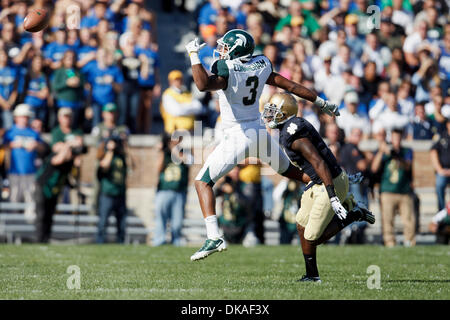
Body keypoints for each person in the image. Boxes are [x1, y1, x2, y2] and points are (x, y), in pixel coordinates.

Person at [185, 29, 340, 261]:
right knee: (292, 172)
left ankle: (214, 236)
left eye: (226, 47)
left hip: (237, 135)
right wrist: (321, 102)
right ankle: (336, 185)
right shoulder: (261, 63)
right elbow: (291, 86)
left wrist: (193, 56)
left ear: (237, 50)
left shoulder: (226, 68)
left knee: (202, 182)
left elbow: (202, 84)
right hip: (259, 132)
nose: (222, 50)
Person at [262, 92, 375, 282]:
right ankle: (312, 275)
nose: (269, 115)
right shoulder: (287, 129)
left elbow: (319, 162)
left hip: (328, 181)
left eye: (274, 111)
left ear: (286, 112)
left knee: (313, 236)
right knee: (301, 224)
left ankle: (353, 213)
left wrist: (332, 195)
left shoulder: (293, 132)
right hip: (319, 181)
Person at [35, 108, 85, 243]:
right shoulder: (56, 139)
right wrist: (68, 145)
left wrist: (74, 153)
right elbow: (58, 158)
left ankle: (45, 239)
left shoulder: (76, 132)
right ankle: (39, 240)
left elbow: (80, 148)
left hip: (56, 186)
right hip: (44, 184)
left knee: (50, 214)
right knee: (42, 214)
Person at [371, 128, 416, 247]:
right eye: (394, 137)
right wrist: (381, 152)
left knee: (408, 219)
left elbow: (408, 166)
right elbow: (374, 168)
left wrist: (397, 156)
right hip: (387, 190)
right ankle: (389, 242)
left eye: (399, 137)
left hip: (404, 190)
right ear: (391, 138)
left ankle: (409, 242)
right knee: (387, 219)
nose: (396, 140)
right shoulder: (384, 151)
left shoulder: (406, 151)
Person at [95, 103, 130, 244]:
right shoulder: (99, 129)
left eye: (113, 112)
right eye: (108, 112)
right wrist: (108, 148)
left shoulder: (121, 130)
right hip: (107, 190)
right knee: (103, 221)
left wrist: (124, 145)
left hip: (120, 189)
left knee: (121, 223)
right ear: (104, 114)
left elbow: (132, 163)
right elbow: (101, 161)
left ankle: (121, 244)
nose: (111, 115)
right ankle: (99, 243)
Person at [153, 133, 191, 246]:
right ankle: (159, 240)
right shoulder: (163, 153)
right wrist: (161, 151)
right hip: (164, 189)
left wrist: (173, 150)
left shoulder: (185, 151)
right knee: (161, 218)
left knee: (177, 221)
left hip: (179, 191)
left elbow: (187, 161)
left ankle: (176, 241)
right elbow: (158, 168)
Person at [3, 104, 43, 212]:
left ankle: (30, 227)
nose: (24, 119)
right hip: (14, 172)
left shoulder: (33, 133)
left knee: (31, 202)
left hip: (30, 172)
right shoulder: (10, 132)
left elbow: (43, 148)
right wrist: (14, 145)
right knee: (13, 201)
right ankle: (13, 225)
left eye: (26, 117)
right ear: (16, 117)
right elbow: (3, 146)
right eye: (22, 116)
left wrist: (35, 145)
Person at [160, 70, 203, 134]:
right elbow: (177, 111)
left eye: (180, 79)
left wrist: (182, 106)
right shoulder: (167, 94)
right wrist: (191, 106)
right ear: (170, 82)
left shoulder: (187, 93)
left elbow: (199, 108)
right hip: (174, 132)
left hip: (190, 131)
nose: (179, 82)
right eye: (176, 80)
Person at [51, 50, 85, 129]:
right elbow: (55, 87)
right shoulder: (59, 71)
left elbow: (83, 87)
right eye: (68, 58)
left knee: (73, 124)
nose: (70, 60)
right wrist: (66, 83)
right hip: (63, 103)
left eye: (72, 58)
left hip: (75, 103)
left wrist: (78, 83)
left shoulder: (78, 72)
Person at [216, 167, 249, 244]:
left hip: (240, 222)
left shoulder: (243, 184)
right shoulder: (224, 184)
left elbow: (246, 203)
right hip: (225, 221)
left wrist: (234, 191)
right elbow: (214, 194)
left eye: (237, 171)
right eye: (233, 171)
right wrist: (220, 185)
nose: (235, 173)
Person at [430, 118, 450, 211]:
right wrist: (439, 170)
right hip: (443, 170)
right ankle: (442, 211)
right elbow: (433, 152)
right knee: (439, 184)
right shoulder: (441, 136)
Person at [278, 179, 302, 244]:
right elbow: (281, 205)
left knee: (303, 244)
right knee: (284, 242)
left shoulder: (301, 194)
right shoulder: (285, 193)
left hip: (298, 222)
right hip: (287, 221)